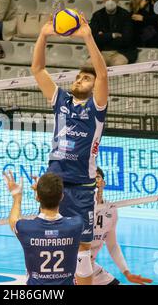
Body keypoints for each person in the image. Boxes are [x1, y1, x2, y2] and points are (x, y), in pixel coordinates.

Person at [31, 14, 109, 285]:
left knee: (83, 253)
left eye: (86, 78)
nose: (79, 80)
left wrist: (87, 36)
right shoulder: (61, 100)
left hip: (82, 188)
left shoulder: (96, 109)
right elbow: (38, 70)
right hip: (54, 183)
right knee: (45, 244)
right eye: (78, 77)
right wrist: (43, 34)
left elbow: (103, 75)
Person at [4, 171, 83, 285]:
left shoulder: (26, 228)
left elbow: (13, 220)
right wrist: (42, 192)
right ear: (62, 196)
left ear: (37, 197)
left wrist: (17, 196)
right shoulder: (76, 225)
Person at [91, 167, 153, 285]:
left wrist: (126, 273)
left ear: (103, 183)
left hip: (91, 266)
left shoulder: (111, 209)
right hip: (73, 267)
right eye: (91, 179)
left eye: (98, 177)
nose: (95, 181)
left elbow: (112, 245)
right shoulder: (78, 207)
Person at [89, 0, 138, 66]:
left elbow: (127, 39)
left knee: (118, 65)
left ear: (117, 0)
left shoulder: (125, 15)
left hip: (121, 52)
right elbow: (93, 38)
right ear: (103, 0)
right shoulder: (97, 15)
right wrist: (113, 35)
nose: (110, 1)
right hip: (102, 52)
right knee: (89, 64)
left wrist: (103, 36)